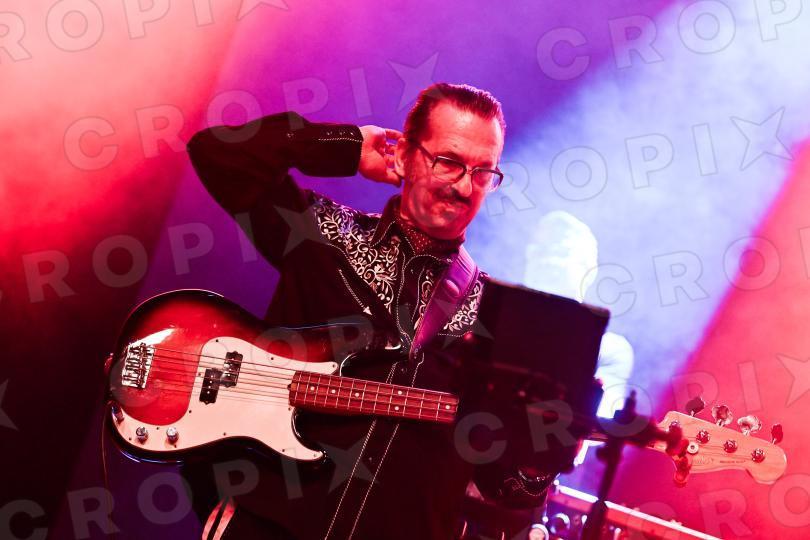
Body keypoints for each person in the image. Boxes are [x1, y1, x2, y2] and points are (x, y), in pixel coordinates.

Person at [186, 83, 554, 540]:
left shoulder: (497, 318)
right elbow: (218, 154)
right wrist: (345, 146)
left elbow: (505, 493)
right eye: (448, 162)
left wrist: (541, 455)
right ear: (405, 156)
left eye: (482, 173)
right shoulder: (321, 235)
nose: (464, 186)